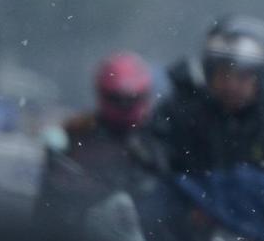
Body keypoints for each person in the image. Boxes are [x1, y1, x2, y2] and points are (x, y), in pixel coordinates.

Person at [148, 15, 264, 177]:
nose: (231, 85)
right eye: (223, 74)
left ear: (261, 77)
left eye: (243, 76)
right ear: (209, 73)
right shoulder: (181, 113)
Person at [36, 53, 166, 225]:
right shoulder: (80, 130)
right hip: (83, 222)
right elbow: (55, 189)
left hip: (141, 223)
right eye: (117, 100)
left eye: (130, 100)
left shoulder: (156, 136)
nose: (124, 106)